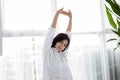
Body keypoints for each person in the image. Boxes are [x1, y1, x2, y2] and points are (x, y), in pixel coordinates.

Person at [42, 8, 73, 80]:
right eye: (61, 42)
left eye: (65, 45)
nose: (62, 46)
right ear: (56, 40)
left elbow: (69, 34)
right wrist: (57, 13)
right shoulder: (47, 51)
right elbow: (51, 30)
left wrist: (70, 18)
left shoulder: (63, 54)